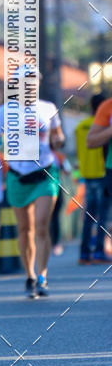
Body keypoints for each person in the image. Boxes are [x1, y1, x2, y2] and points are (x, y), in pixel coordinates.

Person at [0, 71, 64, 298]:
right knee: (25, 229)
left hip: (44, 174)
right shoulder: (4, 111)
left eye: (34, 82)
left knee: (42, 226)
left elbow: (58, 136)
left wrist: (58, 141)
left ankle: (43, 277)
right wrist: (4, 144)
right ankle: (30, 274)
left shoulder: (48, 108)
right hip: (18, 175)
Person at [85, 93, 112, 262]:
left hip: (93, 174)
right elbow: (91, 141)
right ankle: (99, 250)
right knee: (104, 214)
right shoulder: (108, 107)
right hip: (108, 170)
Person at [50, 145, 72, 256]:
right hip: (56, 189)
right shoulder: (59, 156)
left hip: (41, 190)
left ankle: (49, 242)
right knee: (55, 218)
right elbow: (68, 171)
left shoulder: (37, 154)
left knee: (45, 218)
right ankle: (55, 244)